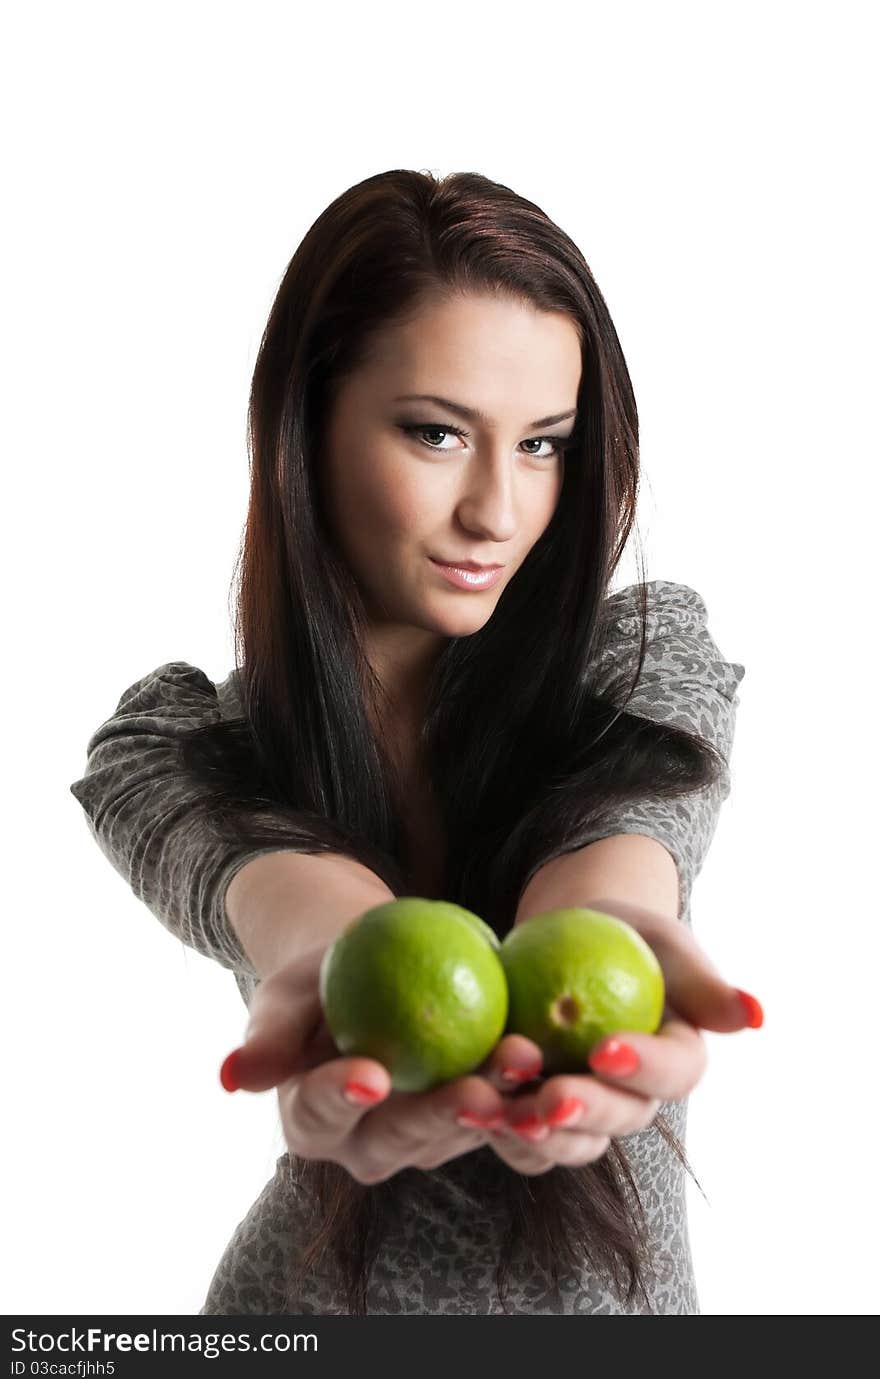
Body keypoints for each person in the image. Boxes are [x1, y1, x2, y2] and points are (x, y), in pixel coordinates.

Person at [69, 168, 761, 1316]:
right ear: (306, 425)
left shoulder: (642, 654)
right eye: (438, 432)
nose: (497, 509)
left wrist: (607, 937)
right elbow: (306, 903)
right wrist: (350, 969)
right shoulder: (176, 743)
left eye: (542, 444)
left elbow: (616, 855)